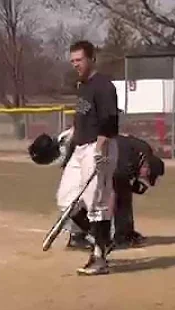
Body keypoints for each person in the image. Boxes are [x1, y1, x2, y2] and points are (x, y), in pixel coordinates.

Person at [56, 40, 119, 275]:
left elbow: (110, 119)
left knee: (97, 203)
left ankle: (100, 259)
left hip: (98, 147)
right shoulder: (82, 85)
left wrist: (101, 147)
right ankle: (101, 239)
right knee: (66, 200)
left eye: (79, 60)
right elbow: (83, 117)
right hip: (81, 148)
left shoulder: (104, 86)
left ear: (92, 58)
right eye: (72, 61)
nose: (75, 65)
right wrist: (71, 138)